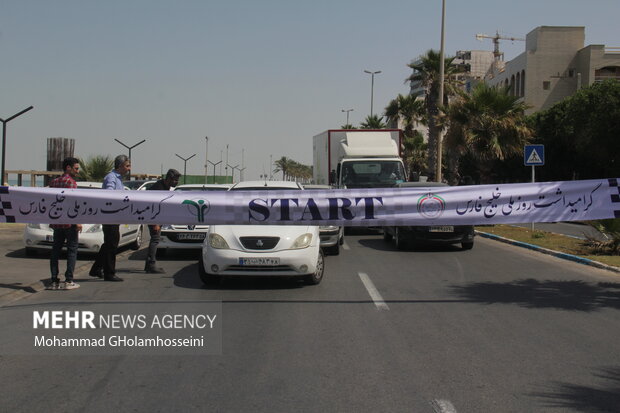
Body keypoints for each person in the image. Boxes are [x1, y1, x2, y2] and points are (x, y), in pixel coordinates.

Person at [89, 155, 131, 282]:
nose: (129, 169)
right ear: (120, 166)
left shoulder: (118, 178)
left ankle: (96, 269)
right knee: (112, 244)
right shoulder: (111, 178)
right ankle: (109, 273)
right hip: (110, 215)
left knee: (109, 244)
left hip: (115, 216)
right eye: (127, 166)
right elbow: (109, 193)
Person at [47, 157, 83, 290]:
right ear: (68, 168)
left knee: (55, 251)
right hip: (69, 223)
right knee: (72, 251)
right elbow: (73, 203)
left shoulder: (54, 182)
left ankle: (54, 279)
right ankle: (69, 280)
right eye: (76, 168)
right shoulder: (71, 182)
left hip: (57, 221)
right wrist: (77, 222)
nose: (77, 171)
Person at [144, 169, 180, 273]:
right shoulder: (159, 188)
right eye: (174, 180)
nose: (176, 182)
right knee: (155, 239)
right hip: (153, 217)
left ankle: (149, 264)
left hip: (157, 217)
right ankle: (151, 265)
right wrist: (155, 223)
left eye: (177, 180)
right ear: (168, 178)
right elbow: (153, 206)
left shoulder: (166, 187)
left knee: (155, 239)